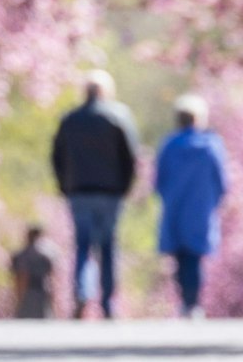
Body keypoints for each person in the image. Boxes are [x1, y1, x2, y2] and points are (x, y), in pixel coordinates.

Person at [50, 68, 141, 319]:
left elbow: (56, 156)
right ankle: (108, 303)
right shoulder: (118, 117)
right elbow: (131, 157)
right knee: (108, 247)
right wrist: (126, 187)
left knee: (82, 245)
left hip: (78, 191)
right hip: (111, 193)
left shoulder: (70, 119)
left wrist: (63, 186)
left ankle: (81, 293)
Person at [154, 94, 228, 318]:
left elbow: (159, 180)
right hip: (200, 209)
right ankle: (193, 302)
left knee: (180, 258)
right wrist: (214, 201)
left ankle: (186, 301)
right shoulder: (211, 147)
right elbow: (222, 181)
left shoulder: (169, 146)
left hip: (176, 208)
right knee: (195, 258)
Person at [9, 224, 58, 319]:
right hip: (40, 295)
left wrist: (18, 299)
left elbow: (20, 279)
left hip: (26, 296)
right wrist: (52, 301)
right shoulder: (44, 258)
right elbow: (51, 280)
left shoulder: (20, 256)